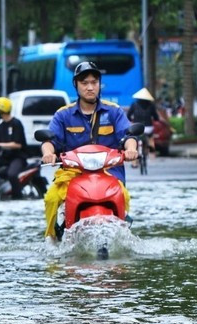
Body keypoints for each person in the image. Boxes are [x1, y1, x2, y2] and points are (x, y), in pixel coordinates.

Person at [40, 61, 139, 240]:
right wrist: (48, 153)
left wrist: (131, 149)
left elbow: (128, 136)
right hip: (73, 173)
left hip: (109, 172)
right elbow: (49, 140)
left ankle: (124, 236)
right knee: (51, 198)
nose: (90, 87)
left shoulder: (114, 111)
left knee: (123, 195)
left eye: (94, 82)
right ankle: (53, 240)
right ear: (76, 85)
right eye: (84, 83)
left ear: (100, 84)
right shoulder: (63, 114)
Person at [0, 97, 27, 198]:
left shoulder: (16, 124)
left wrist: (0, 145)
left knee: (12, 174)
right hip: (5, 158)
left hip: (18, 157)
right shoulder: (0, 126)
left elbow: (18, 144)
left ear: (2, 110)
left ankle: (18, 197)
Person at [127, 87, 159, 163]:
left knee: (134, 141)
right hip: (148, 128)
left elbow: (128, 115)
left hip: (137, 128)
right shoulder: (151, 105)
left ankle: (134, 162)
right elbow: (156, 117)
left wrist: (131, 121)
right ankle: (152, 154)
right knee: (150, 139)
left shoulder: (134, 105)